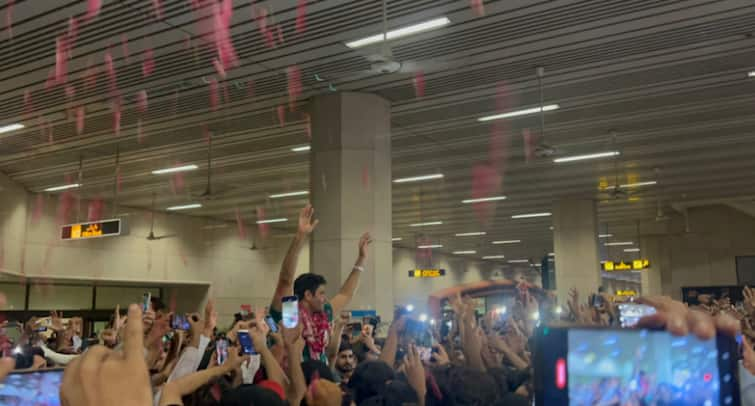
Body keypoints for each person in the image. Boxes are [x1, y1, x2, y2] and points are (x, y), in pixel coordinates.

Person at [268, 203, 372, 363]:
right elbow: (285, 280)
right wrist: (300, 237)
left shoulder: (324, 313)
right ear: (308, 295)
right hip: (295, 378)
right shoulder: (290, 315)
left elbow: (346, 294)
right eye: (321, 293)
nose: (325, 298)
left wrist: (361, 259)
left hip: (319, 377)